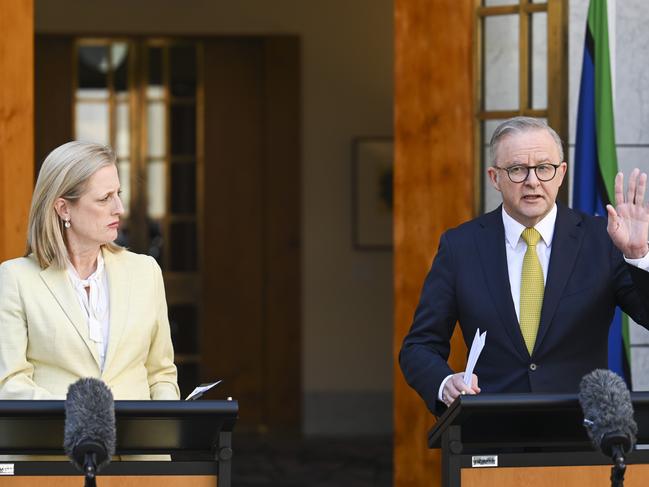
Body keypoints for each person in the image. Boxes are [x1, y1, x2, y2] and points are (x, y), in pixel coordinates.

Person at [399, 116, 649, 416]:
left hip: (582, 433)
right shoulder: (460, 246)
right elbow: (418, 346)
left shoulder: (602, 240)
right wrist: (444, 382)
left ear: (561, 173)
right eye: (517, 169)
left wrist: (638, 256)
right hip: (493, 430)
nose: (532, 181)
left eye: (544, 168)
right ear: (495, 177)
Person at [0, 141, 180, 400]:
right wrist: (82, 417)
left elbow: (161, 375)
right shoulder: (16, 279)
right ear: (63, 208)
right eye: (105, 198)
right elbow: (10, 383)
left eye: (118, 193)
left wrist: (164, 435)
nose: (119, 208)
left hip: (137, 440)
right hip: (54, 439)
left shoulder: (146, 271)